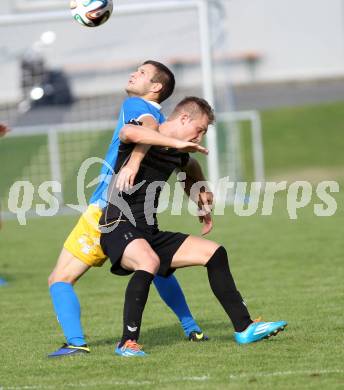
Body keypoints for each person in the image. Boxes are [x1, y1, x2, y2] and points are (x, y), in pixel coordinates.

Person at [99, 96, 288, 357]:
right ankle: (127, 342)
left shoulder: (178, 152)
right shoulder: (148, 130)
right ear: (184, 118)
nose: (199, 136)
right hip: (116, 222)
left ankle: (244, 328)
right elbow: (127, 131)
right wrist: (174, 143)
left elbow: (190, 165)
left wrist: (201, 193)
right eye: (199, 129)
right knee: (148, 262)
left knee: (215, 252)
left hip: (148, 231)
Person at [48, 61, 208, 358]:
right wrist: (199, 193)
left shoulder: (137, 105)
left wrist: (140, 158)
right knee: (154, 266)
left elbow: (143, 128)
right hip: (137, 214)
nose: (135, 74)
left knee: (59, 279)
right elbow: (191, 162)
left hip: (105, 211)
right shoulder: (164, 125)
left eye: (143, 73)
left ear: (156, 88)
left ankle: (76, 342)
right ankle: (191, 327)